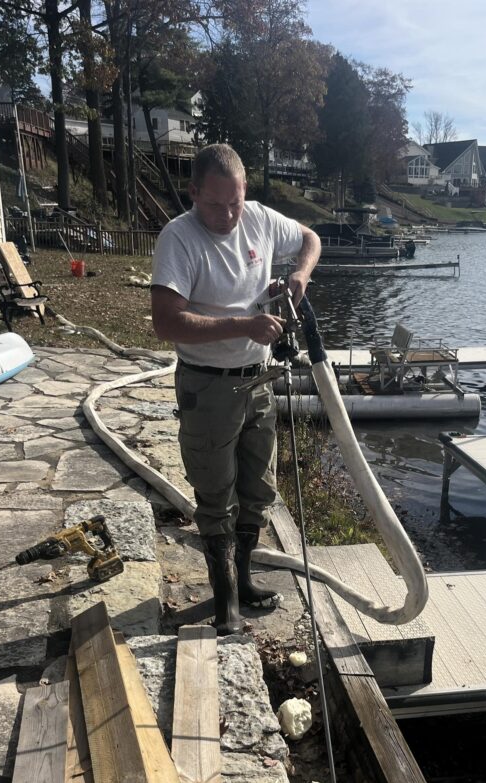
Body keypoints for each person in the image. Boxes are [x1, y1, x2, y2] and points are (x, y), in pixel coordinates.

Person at [151, 143, 321, 635]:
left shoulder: (261, 220)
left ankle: (243, 580)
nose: (227, 215)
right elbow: (166, 323)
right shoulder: (179, 239)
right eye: (215, 204)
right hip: (208, 386)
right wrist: (242, 325)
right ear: (194, 193)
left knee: (257, 490)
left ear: (245, 192)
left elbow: (310, 237)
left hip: (260, 380)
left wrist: (299, 275)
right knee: (214, 493)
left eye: (236, 202)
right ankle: (224, 598)